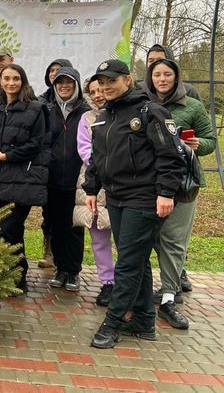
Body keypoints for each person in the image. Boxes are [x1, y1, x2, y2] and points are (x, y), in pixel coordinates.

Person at [84, 60, 185, 349]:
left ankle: (112, 323)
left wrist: (166, 192)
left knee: (127, 262)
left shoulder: (150, 111)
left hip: (144, 197)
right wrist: (92, 187)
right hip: (116, 198)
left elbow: (170, 155)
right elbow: (96, 157)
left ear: (128, 80)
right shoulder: (105, 117)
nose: (105, 87)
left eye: (111, 81)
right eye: (101, 82)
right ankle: (143, 321)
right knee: (137, 258)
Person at [146, 58, 215, 329]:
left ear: (176, 78)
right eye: (157, 75)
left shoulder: (192, 106)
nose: (162, 79)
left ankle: (169, 295)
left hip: (184, 184)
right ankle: (150, 290)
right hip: (149, 183)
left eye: (167, 74)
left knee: (173, 240)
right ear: (150, 78)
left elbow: (210, 140)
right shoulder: (142, 104)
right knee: (150, 238)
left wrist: (199, 144)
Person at [0, 64, 49, 293]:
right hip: (1, 178)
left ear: (22, 81)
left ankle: (16, 274)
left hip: (24, 178)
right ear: (0, 82)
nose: (11, 83)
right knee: (11, 230)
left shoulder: (35, 109)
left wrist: (8, 155)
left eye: (15, 78)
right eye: (6, 78)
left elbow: (37, 144)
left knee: (7, 227)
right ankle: (16, 276)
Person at [41, 67, 90, 292]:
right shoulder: (47, 109)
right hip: (52, 178)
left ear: (76, 85)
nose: (64, 86)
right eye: (60, 83)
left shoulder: (85, 111)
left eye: (68, 83)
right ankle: (61, 269)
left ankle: (73, 271)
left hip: (76, 178)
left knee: (74, 227)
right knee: (57, 225)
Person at [73, 78, 115, 307]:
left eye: (102, 89)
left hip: (123, 181)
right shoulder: (86, 118)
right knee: (98, 236)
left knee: (126, 237)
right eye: (93, 91)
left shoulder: (123, 112)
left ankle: (131, 283)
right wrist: (103, 164)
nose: (98, 94)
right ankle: (108, 282)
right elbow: (84, 148)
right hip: (93, 182)